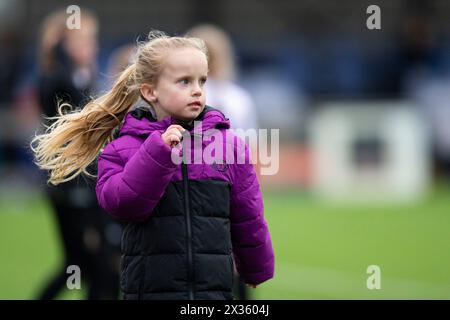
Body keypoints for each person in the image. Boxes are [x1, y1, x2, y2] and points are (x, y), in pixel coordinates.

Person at [31, 30, 274, 300]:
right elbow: (122, 204)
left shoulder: (228, 145)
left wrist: (255, 267)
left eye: (201, 81)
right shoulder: (123, 146)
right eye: (184, 81)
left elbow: (248, 213)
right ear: (150, 91)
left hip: (212, 292)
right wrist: (157, 153)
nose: (197, 90)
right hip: (150, 290)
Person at [34, 9, 121, 300]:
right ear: (63, 45)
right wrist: (60, 50)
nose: (92, 47)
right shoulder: (58, 78)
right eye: (84, 40)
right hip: (72, 186)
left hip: (85, 183)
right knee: (89, 264)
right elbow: (77, 119)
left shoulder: (82, 77)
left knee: (87, 265)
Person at [187, 24, 259, 299]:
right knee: (237, 264)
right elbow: (250, 156)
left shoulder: (187, 97)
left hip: (197, 191)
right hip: (233, 190)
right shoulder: (239, 97)